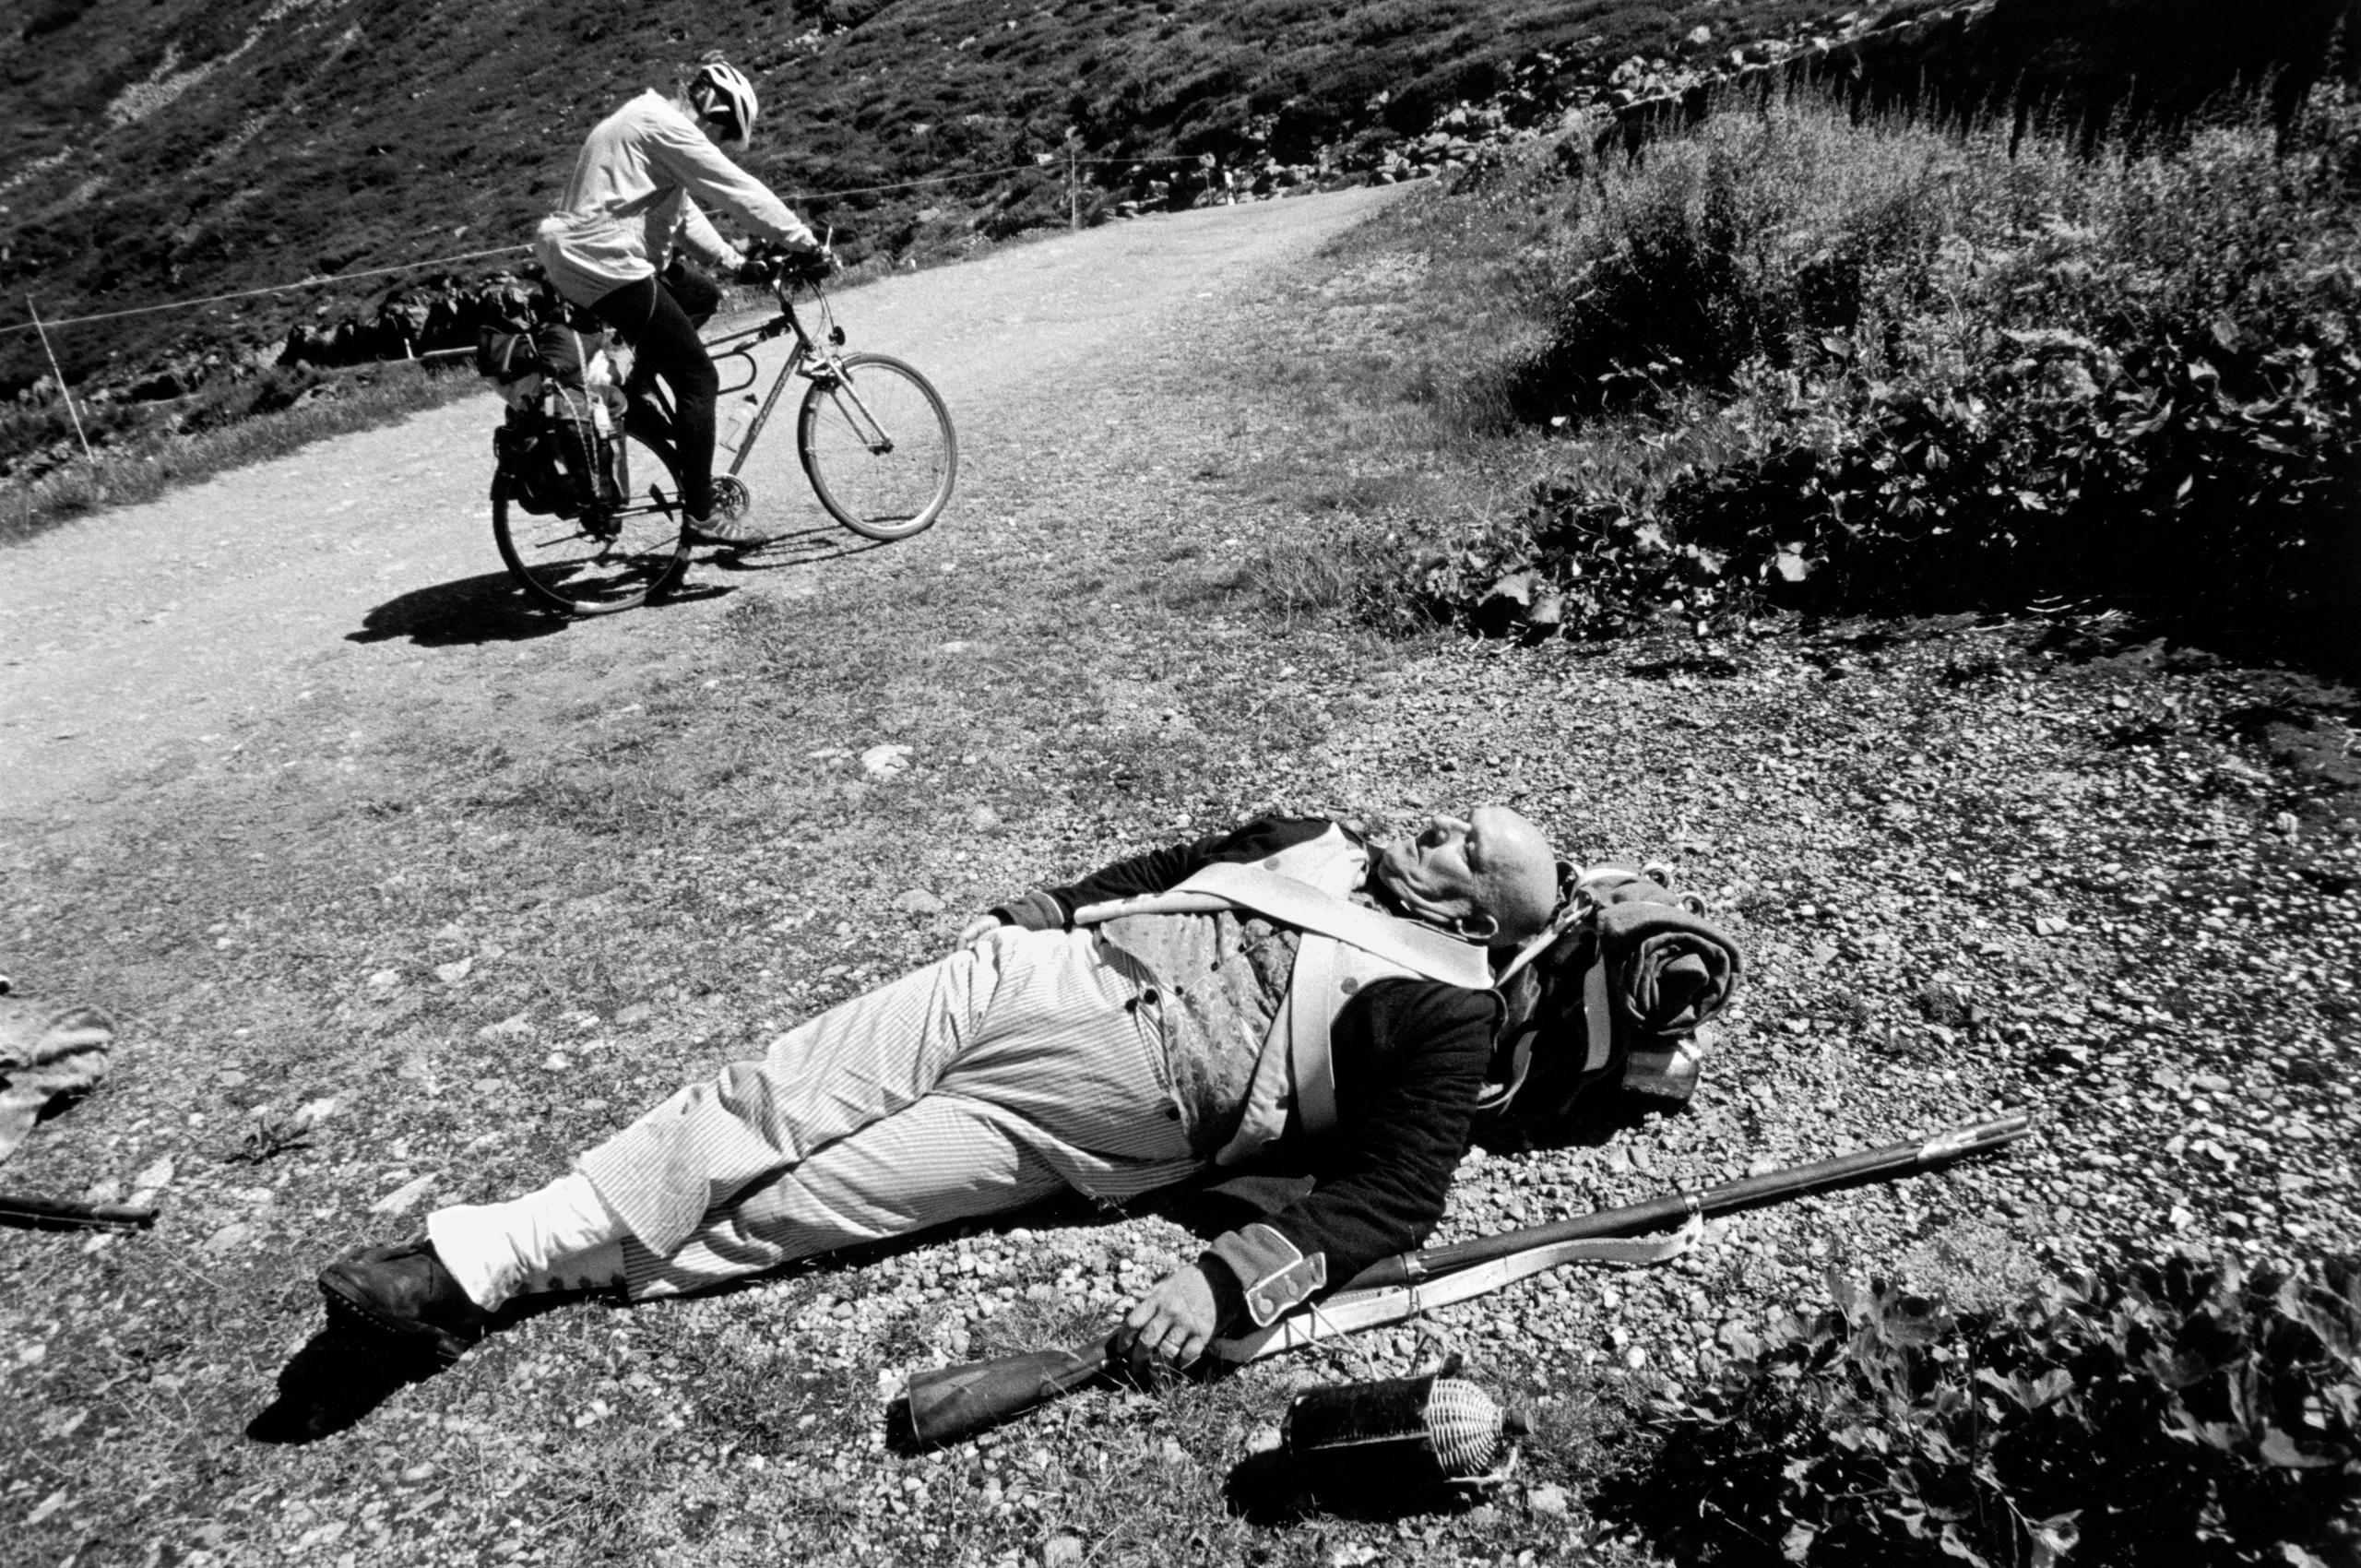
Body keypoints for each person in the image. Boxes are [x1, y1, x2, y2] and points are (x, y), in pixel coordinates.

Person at [319, 809, 1562, 1372]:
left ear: (1478, 915)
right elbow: (1175, 864)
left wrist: (1230, 1276)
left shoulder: (1447, 1010)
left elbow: (1396, 1201)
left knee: (815, 1205)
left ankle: (533, 1269)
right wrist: (1042, 910)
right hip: (1039, 976)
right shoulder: (1318, 838)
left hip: (1120, 1110)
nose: (1433, 832)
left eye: (1466, 847)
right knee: (769, 1098)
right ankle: (476, 1259)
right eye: (1452, 819)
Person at [533, 58, 826, 548]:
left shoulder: (645, 120)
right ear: (710, 103)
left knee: (700, 294)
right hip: (603, 260)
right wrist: (805, 242)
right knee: (698, 378)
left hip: (595, 255)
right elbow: (736, 189)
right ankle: (701, 511)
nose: (717, 139)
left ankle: (640, 388)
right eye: (724, 127)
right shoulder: (664, 125)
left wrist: (736, 264)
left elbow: (683, 217)